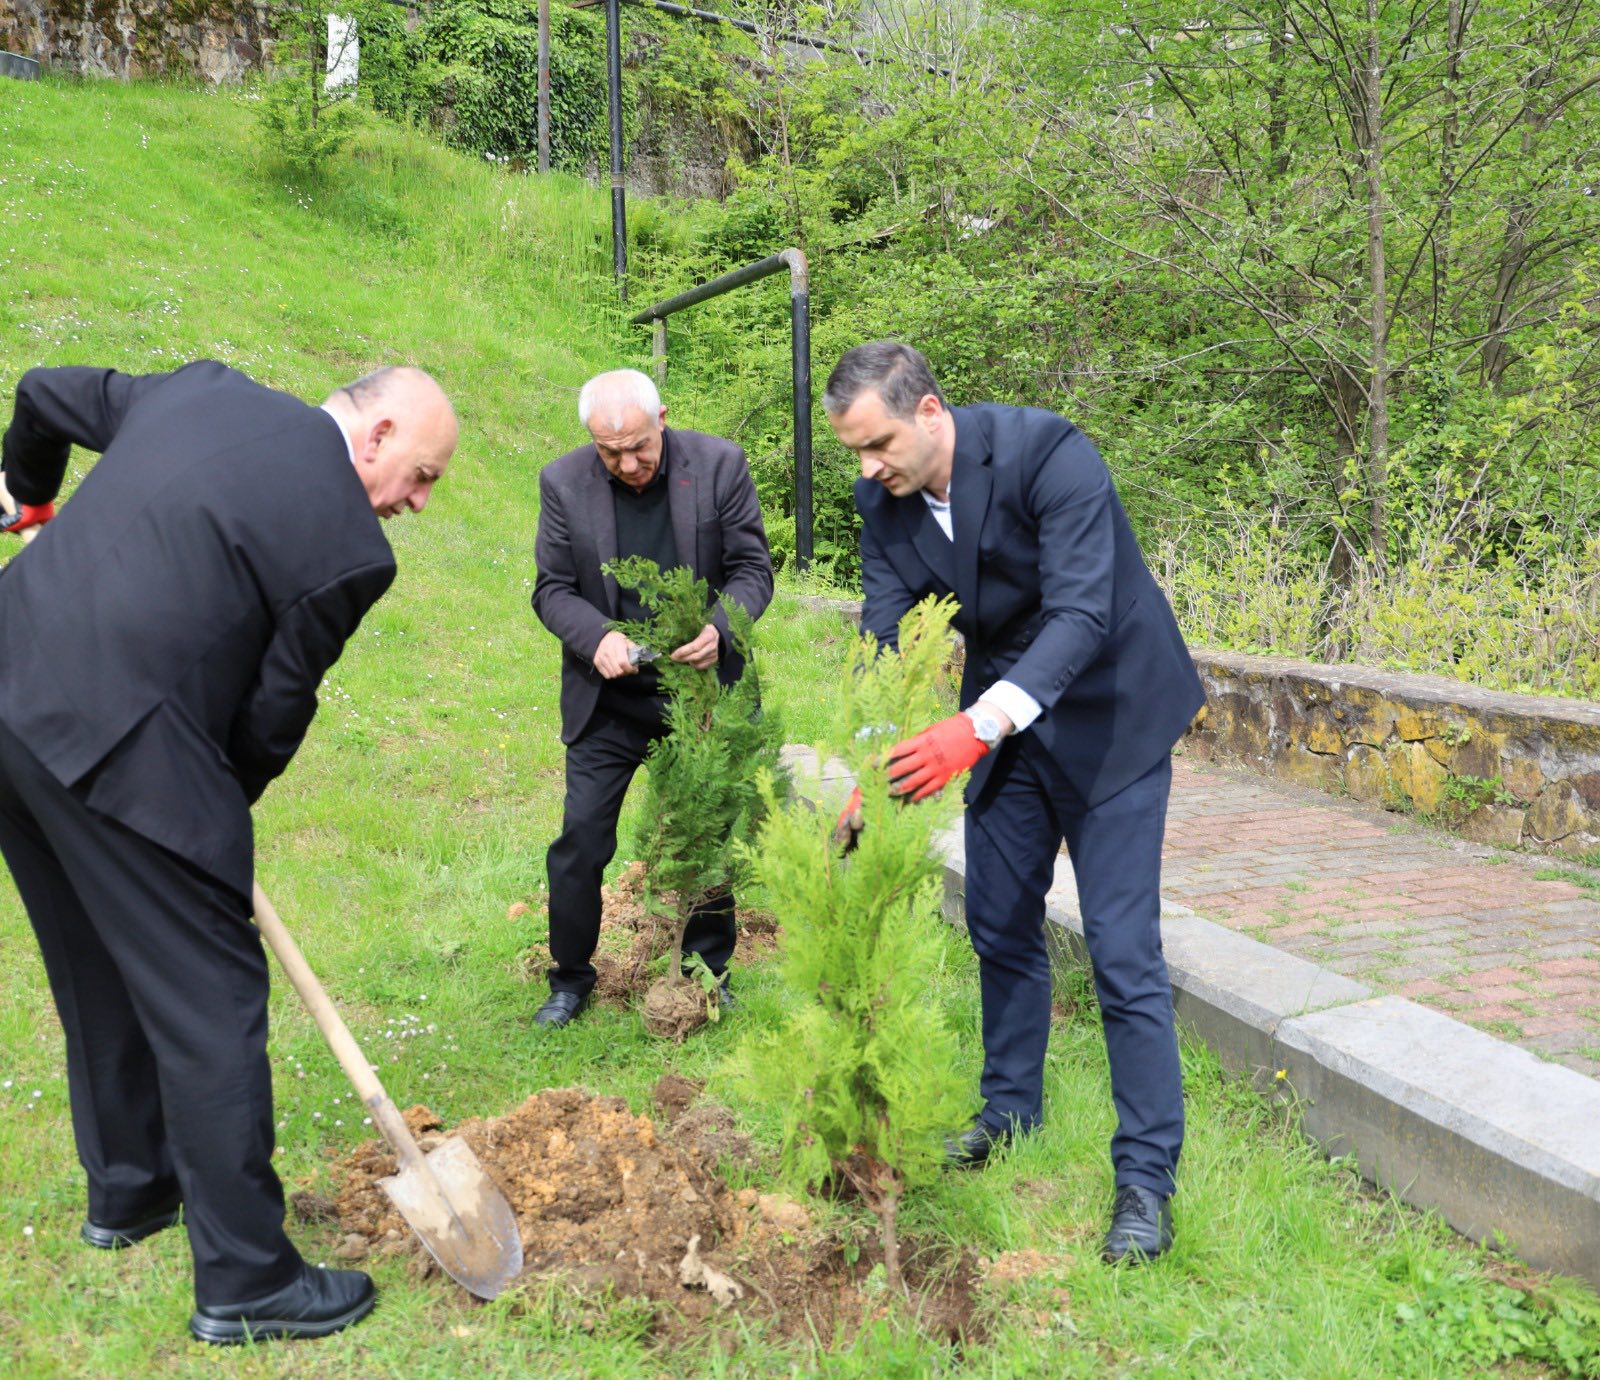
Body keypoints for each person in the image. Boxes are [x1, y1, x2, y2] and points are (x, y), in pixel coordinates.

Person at [0, 360, 457, 1341]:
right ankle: (248, 1277)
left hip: (9, 688)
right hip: (122, 736)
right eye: (421, 476)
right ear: (375, 434)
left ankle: (131, 1190)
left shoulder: (199, 389)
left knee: (93, 954)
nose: (415, 504)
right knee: (210, 998)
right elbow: (268, 722)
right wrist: (204, 838)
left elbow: (40, 395)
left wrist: (26, 492)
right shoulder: (349, 547)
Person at [824, 341, 1203, 1265]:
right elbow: (884, 637)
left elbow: (1081, 615)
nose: (868, 469)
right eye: (854, 454)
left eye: (877, 445)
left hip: (1112, 714)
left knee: (1122, 952)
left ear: (930, 411)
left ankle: (1146, 1184)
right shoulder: (886, 499)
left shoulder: (1049, 454)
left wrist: (972, 731)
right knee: (996, 916)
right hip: (1008, 722)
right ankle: (1010, 1112)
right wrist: (866, 766)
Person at [531, 368, 773, 1028]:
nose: (629, 463)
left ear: (662, 417)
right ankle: (571, 979)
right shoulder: (564, 482)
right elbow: (552, 589)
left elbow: (754, 571)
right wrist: (596, 637)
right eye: (610, 452)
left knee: (708, 841)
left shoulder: (720, 466)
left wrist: (719, 630)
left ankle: (705, 973)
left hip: (700, 695)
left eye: (638, 445)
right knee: (581, 841)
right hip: (608, 700)